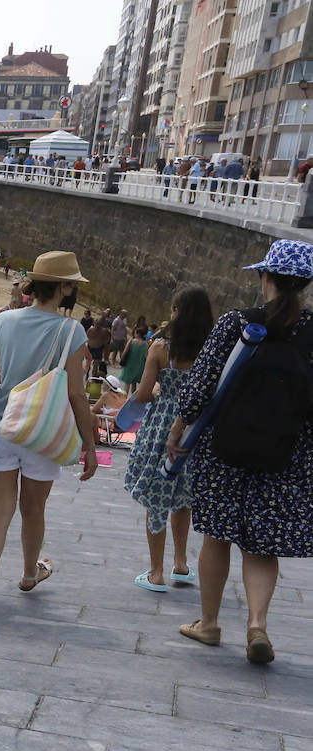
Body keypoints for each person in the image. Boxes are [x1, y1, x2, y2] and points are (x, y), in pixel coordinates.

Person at [168, 240, 313, 664]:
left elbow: (199, 388)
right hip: (287, 455)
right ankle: (257, 624)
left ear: (265, 277)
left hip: (223, 449)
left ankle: (209, 624)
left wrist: (178, 432)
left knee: (218, 536)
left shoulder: (237, 322)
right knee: (262, 545)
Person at [0, 251, 98, 613]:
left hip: (1, 425)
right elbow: (76, 394)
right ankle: (29, 574)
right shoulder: (73, 330)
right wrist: (90, 445)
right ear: (65, 288)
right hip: (44, 430)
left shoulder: (3, 321)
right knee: (34, 508)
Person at [124, 286, 212, 592]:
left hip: (161, 426)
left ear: (177, 312)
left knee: (157, 495)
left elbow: (145, 393)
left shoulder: (161, 348)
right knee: (183, 499)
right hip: (196, 428)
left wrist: (161, 391)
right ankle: (181, 564)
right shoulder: (211, 350)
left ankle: (156, 572)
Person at [118, 323, 149, 393]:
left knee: (127, 384)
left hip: (129, 364)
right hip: (139, 366)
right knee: (134, 384)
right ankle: (131, 400)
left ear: (137, 334)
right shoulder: (145, 344)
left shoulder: (131, 341)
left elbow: (125, 351)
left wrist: (122, 360)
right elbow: (146, 357)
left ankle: (124, 398)